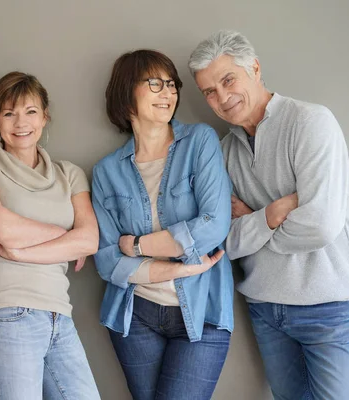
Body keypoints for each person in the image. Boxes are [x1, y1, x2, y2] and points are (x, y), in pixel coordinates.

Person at [188, 30, 349, 400]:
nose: (222, 97)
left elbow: (320, 226)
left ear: (254, 68)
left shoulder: (310, 123)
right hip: (266, 308)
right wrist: (272, 213)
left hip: (328, 306)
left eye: (228, 80)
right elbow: (227, 241)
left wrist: (251, 221)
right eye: (209, 91)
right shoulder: (223, 153)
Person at [91, 49, 234, 400]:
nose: (168, 93)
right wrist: (180, 270)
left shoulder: (200, 142)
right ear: (127, 94)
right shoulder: (106, 171)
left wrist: (137, 247)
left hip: (202, 312)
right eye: (154, 84)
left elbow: (214, 226)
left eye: (171, 84)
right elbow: (108, 261)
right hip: (133, 315)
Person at [0, 71, 100, 400]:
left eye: (30, 111)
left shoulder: (70, 174)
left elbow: (90, 241)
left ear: (45, 117)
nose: (20, 122)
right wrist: (64, 236)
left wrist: (22, 253)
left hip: (59, 314)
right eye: (9, 113)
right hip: (6, 312)